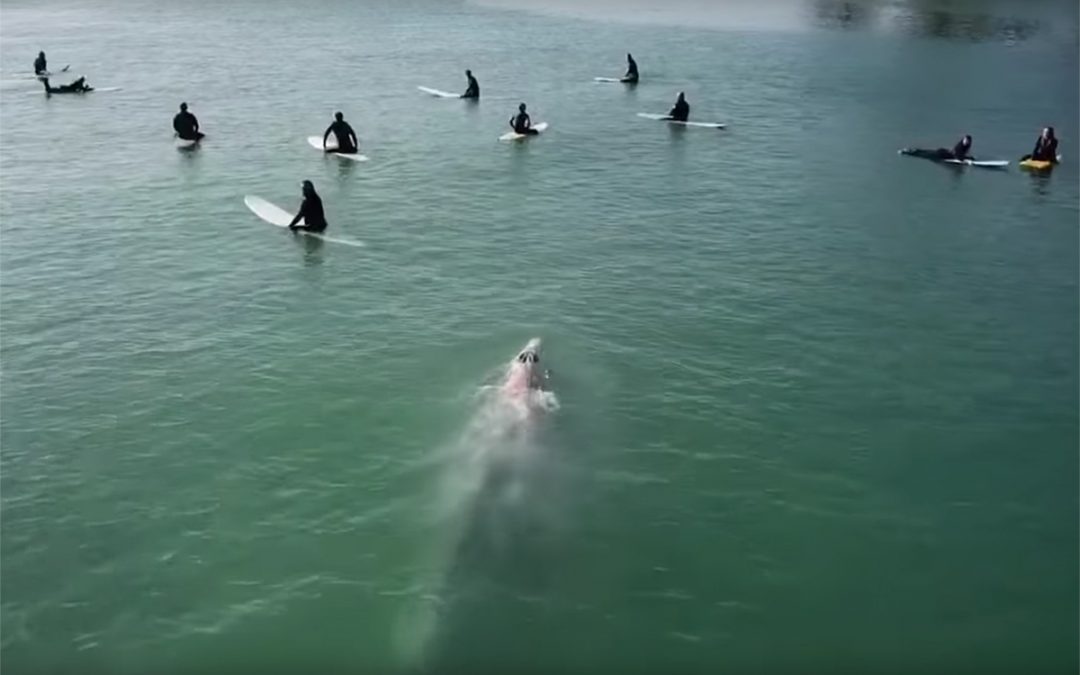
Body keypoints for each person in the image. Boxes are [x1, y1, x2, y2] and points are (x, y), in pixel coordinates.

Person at [901, 135, 973, 161]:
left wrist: (968, 157)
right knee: (923, 155)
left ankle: (912, 151)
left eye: (967, 141)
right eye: (965, 140)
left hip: (944, 152)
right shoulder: (959, 146)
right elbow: (959, 156)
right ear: (963, 140)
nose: (966, 142)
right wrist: (966, 160)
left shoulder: (966, 145)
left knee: (926, 152)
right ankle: (908, 152)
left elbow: (964, 153)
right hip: (940, 154)